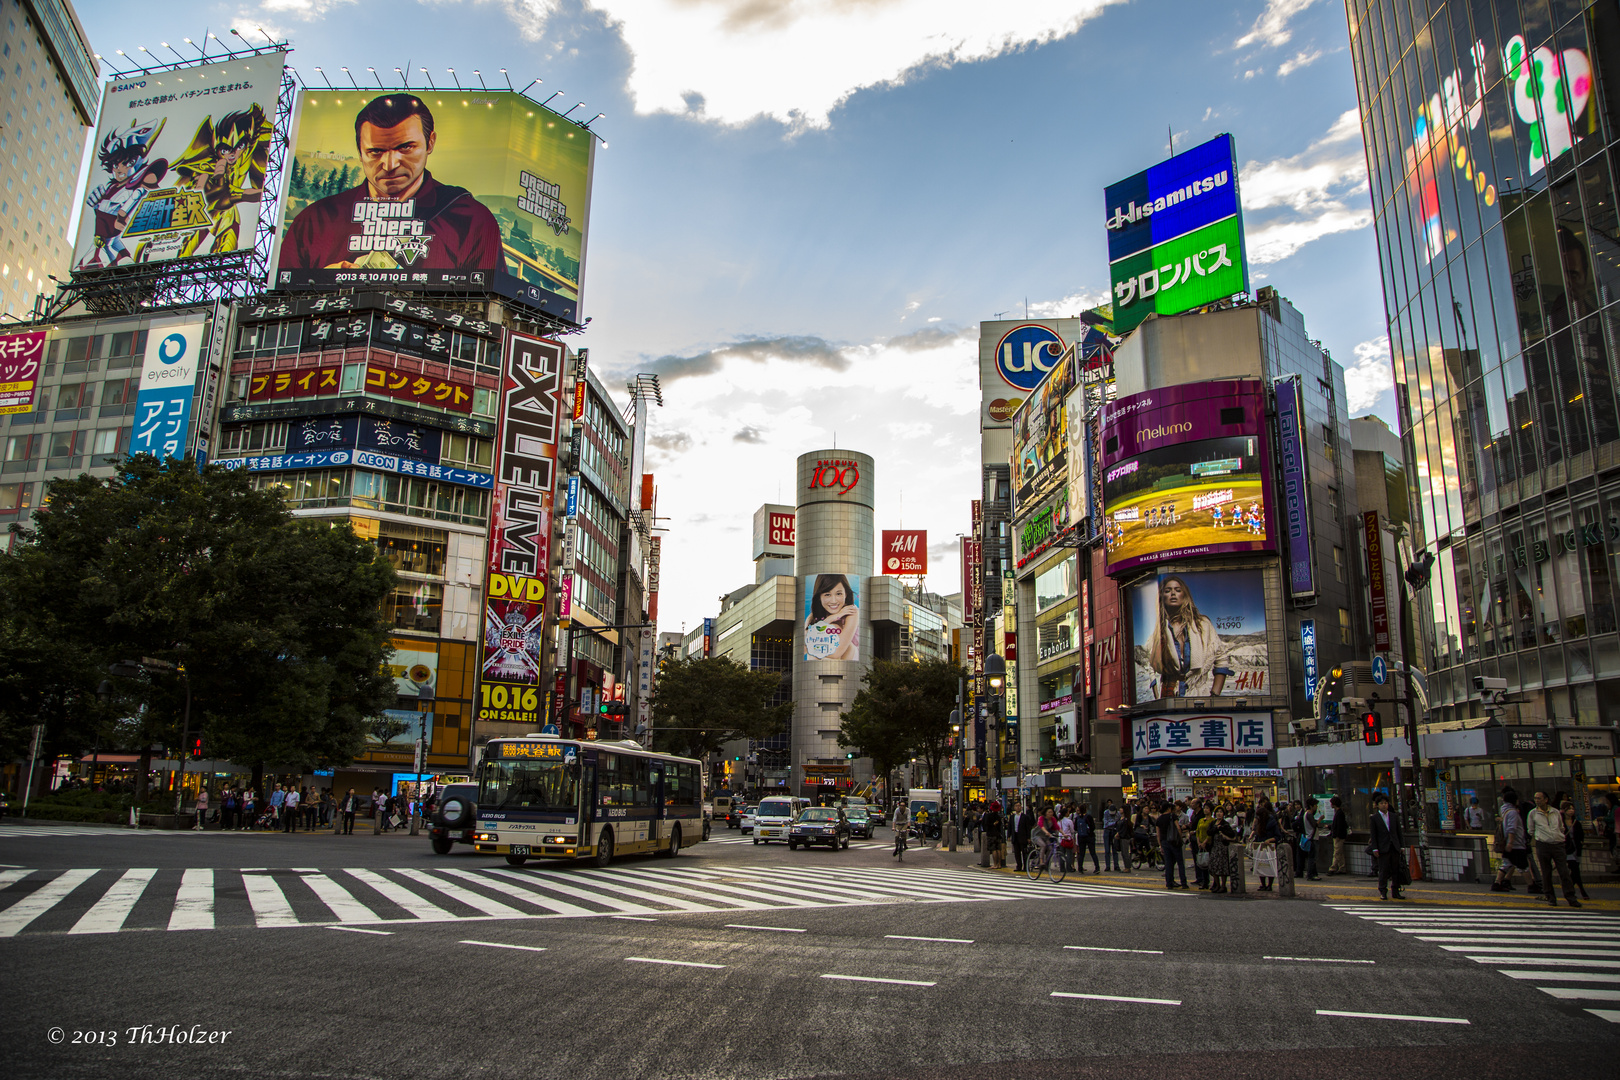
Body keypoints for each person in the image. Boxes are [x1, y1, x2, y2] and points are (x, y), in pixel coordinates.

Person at [279, 94, 503, 274]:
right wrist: (322, 283)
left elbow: (493, 310)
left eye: (405, 148)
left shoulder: (472, 220)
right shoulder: (313, 221)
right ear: (360, 152)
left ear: (430, 142)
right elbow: (282, 303)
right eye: (375, 151)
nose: (389, 164)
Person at [1145, 575, 1233, 698]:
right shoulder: (1158, 633)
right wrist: (1157, 698)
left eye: (1178, 590)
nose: (1173, 594)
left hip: (1198, 696)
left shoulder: (1203, 625)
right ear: (1162, 597)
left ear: (1185, 595)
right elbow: (1150, 667)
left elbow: (1221, 658)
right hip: (1169, 698)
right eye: (1168, 591)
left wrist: (1214, 695)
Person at [1527, 790, 1581, 907]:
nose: (1537, 800)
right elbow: (1531, 830)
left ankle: (1571, 897)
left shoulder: (1555, 812)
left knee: (1564, 872)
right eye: (1535, 798)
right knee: (1546, 872)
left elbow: (1561, 827)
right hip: (1543, 844)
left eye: (1539, 798)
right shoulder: (1533, 813)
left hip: (1558, 844)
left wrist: (1559, 836)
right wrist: (1539, 838)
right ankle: (1550, 897)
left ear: (1546, 799)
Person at [804, 573, 861, 660]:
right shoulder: (813, 616)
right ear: (819, 597)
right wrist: (830, 619)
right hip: (823, 660)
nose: (833, 601)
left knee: (833, 629)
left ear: (846, 594)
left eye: (838, 594)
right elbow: (803, 646)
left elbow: (836, 652)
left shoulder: (852, 612)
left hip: (852, 660)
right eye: (827, 594)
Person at [1492, 788, 1534, 892]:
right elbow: (1512, 829)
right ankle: (1531, 886)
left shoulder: (1504, 810)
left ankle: (1497, 883)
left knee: (1506, 864)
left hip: (1510, 843)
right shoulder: (1513, 813)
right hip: (1515, 844)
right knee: (1523, 866)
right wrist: (1510, 842)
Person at [1369, 792, 1407, 900]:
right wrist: (1375, 848)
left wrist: (1402, 846)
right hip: (1382, 848)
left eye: (1386, 803)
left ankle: (1396, 891)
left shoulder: (1394, 816)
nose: (1384, 805)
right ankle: (1383, 891)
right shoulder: (1374, 818)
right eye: (1381, 803)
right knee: (1383, 870)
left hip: (1394, 846)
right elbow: (1374, 835)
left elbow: (1399, 832)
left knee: (1396, 869)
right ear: (1377, 805)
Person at [1561, 800, 1593, 902]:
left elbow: (1581, 835)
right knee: (1574, 869)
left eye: (1572, 809)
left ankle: (1569, 888)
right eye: (1569, 809)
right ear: (1564, 810)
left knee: (1575, 871)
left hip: (1576, 848)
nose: (1571, 811)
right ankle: (1582, 890)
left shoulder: (1576, 822)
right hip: (1567, 848)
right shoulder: (1560, 822)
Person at [1156, 801, 1188, 889]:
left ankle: (1169, 883)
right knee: (1180, 862)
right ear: (1169, 808)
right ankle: (1184, 882)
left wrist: (1160, 845)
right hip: (1174, 841)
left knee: (1168, 863)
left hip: (1164, 842)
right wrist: (1180, 838)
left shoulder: (1159, 819)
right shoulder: (1172, 816)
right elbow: (1178, 827)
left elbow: (1158, 833)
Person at [1300, 797, 1321, 880]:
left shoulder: (1306, 814)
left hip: (1310, 837)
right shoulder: (1309, 814)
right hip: (1312, 839)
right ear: (1311, 806)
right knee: (1312, 857)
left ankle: (1314, 873)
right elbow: (1314, 825)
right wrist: (1320, 819)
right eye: (1315, 805)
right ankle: (1310, 874)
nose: (1316, 807)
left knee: (1312, 857)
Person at [1327, 795, 1348, 874]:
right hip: (1339, 835)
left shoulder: (1339, 813)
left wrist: (1337, 835)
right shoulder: (1339, 812)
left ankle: (1333, 868)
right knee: (1340, 852)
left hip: (1338, 836)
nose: (1331, 805)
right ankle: (1342, 867)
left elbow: (1339, 825)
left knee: (1336, 852)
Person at [1010, 802, 1033, 872]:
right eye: (1016, 806)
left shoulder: (1025, 817)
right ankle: (1018, 866)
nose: (1018, 807)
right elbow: (1010, 827)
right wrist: (1009, 835)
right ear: (1014, 807)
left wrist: (1028, 837)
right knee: (1017, 853)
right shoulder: (1012, 817)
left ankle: (1025, 867)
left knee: (1024, 852)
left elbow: (1028, 828)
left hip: (1023, 836)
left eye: (1019, 806)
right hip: (1015, 836)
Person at [983, 800, 1005, 868]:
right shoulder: (998, 817)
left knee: (993, 850)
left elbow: (986, 824)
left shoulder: (988, 816)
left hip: (991, 834)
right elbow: (1000, 826)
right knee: (998, 849)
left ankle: (995, 864)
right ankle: (999, 864)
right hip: (998, 834)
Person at [1077, 805, 1099, 873]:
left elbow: (1075, 828)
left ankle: (1080, 868)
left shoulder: (1077, 818)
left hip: (1081, 837)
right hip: (1090, 836)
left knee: (1081, 853)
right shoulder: (1088, 817)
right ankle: (1097, 868)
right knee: (1093, 852)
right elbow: (1093, 827)